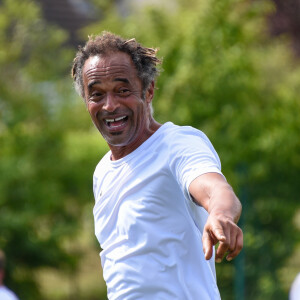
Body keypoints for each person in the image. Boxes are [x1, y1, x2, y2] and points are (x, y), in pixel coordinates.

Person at [72, 32, 243, 299]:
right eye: (97, 94)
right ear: (86, 102)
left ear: (148, 90)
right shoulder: (102, 172)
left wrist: (221, 215)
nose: (110, 105)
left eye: (123, 90)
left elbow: (214, 188)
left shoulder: (176, 145)